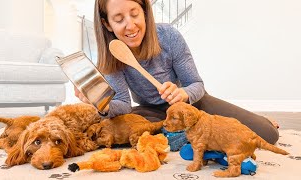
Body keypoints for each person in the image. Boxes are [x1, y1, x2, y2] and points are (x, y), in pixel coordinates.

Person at [75, 0, 279, 145]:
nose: (130, 25)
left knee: (267, 134)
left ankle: (258, 120)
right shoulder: (112, 56)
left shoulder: (169, 36)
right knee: (119, 132)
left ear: (145, 10)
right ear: (107, 24)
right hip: (150, 111)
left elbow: (196, 85)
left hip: (192, 104)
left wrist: (182, 94)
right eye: (119, 19)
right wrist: (101, 105)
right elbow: (123, 105)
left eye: (135, 14)